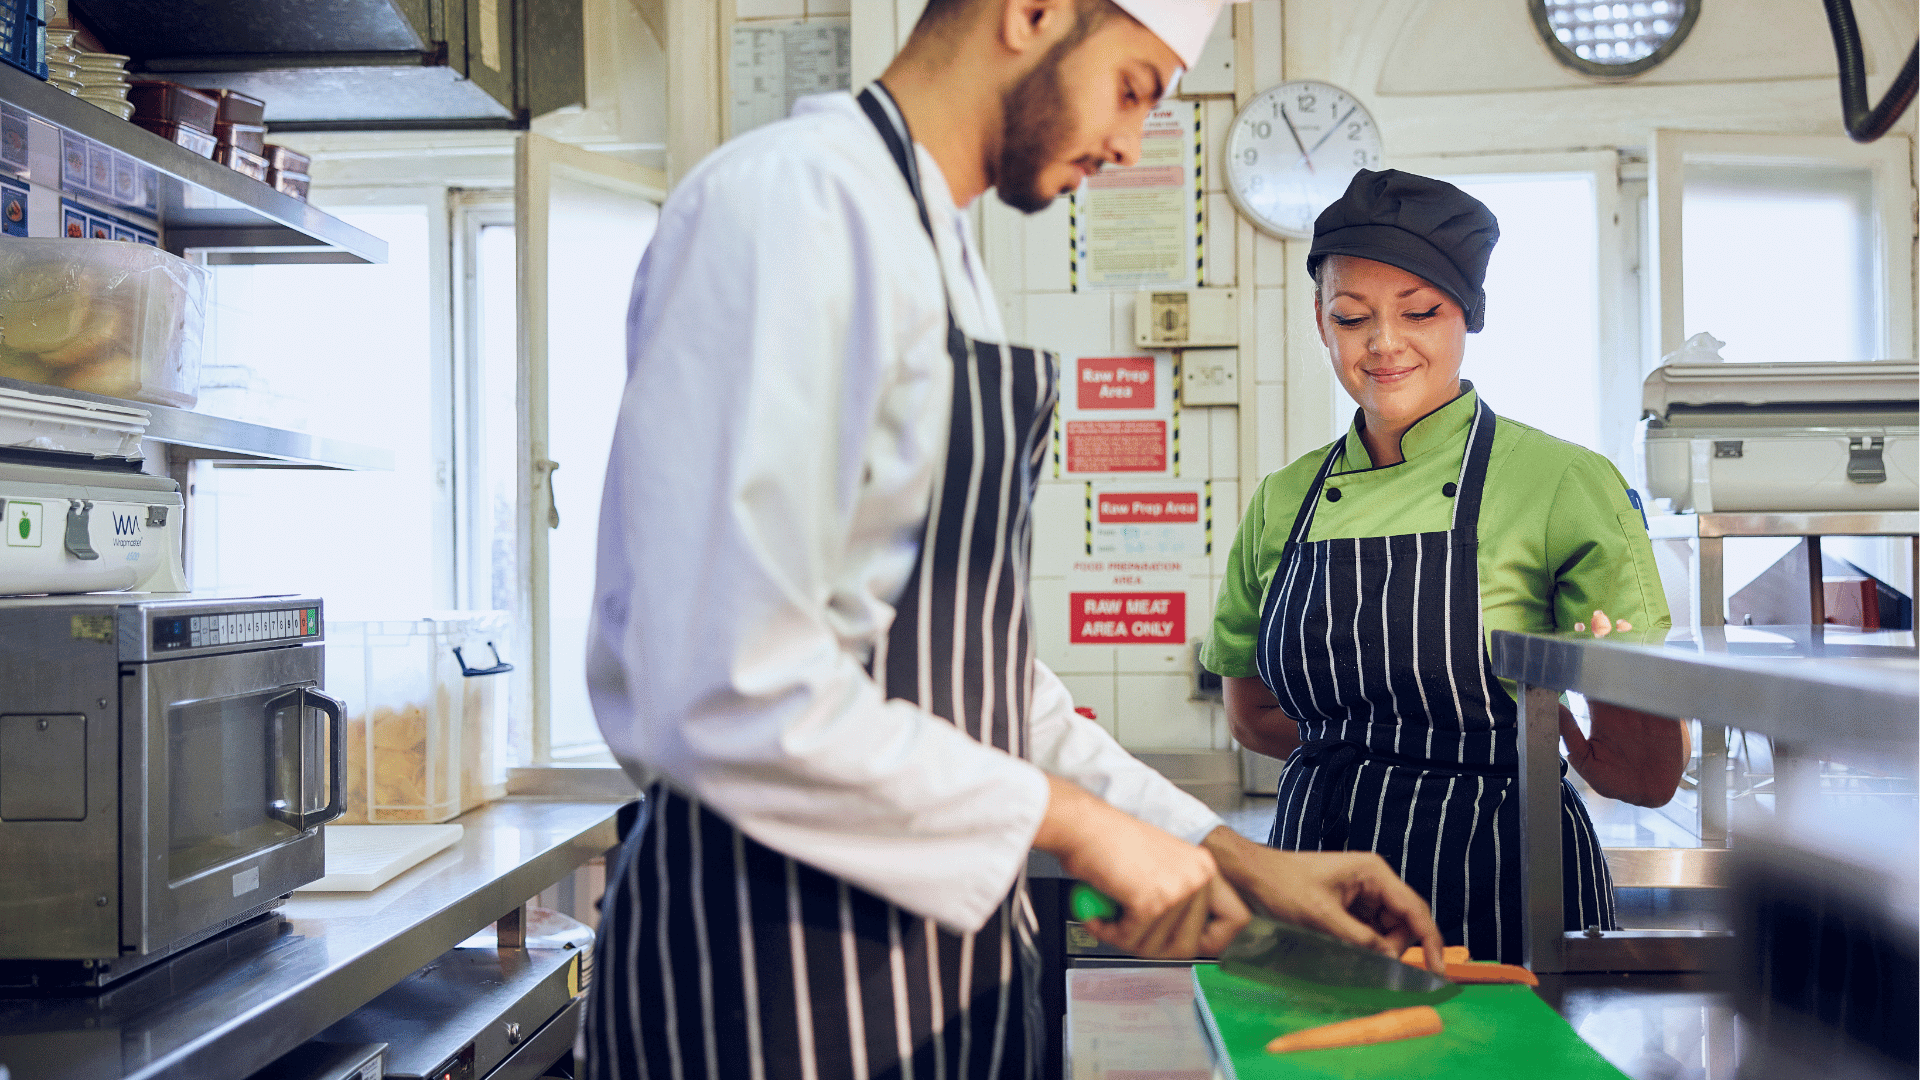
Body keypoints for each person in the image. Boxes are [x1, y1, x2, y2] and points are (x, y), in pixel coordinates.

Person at [582, 3, 1447, 1079]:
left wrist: (1221, 849)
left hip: (937, 969)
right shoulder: (791, 205)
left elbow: (973, 677)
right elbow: (725, 680)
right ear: (1031, 14)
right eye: (1133, 86)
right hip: (770, 970)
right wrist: (1081, 830)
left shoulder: (938, 251)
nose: (1132, 144)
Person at [1203, 169, 1692, 966]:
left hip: (1504, 889)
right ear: (1320, 325)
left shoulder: (1563, 483)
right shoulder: (1283, 499)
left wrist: (1587, 738)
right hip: (1319, 886)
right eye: (1352, 317)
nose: (1384, 344)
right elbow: (1250, 710)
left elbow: (1646, 773)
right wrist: (1370, 763)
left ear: (1469, 315)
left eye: (1421, 312)